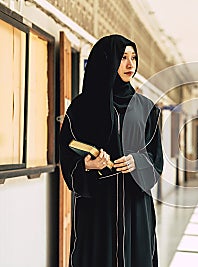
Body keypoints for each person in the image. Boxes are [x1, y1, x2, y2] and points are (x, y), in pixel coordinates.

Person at [59, 34, 163, 267]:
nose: (130, 65)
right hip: (98, 207)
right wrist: (87, 164)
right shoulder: (82, 108)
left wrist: (138, 161)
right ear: (106, 60)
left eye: (133, 58)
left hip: (135, 205)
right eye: (122, 57)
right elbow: (66, 152)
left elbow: (156, 158)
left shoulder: (146, 109)